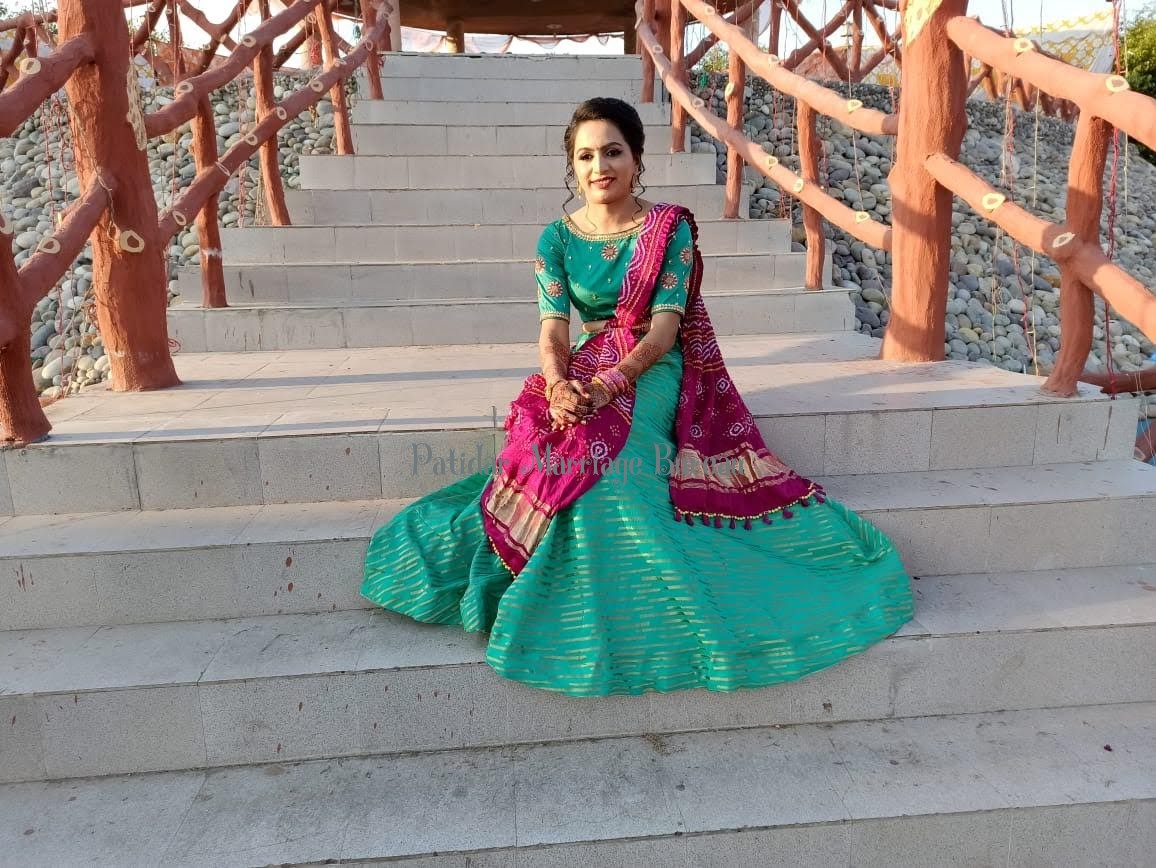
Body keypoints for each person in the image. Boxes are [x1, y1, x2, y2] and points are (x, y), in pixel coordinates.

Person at [361, 97, 914, 697]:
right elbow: (554, 330)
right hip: (584, 361)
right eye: (585, 156)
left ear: (636, 158)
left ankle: (626, 623)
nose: (599, 167)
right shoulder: (556, 239)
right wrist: (558, 385)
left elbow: (664, 330)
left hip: (651, 368)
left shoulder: (668, 228)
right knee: (555, 451)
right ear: (572, 166)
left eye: (612, 152)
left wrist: (610, 384)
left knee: (611, 477)